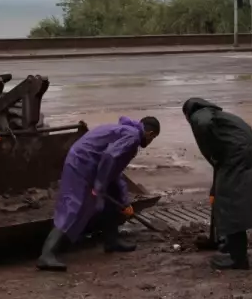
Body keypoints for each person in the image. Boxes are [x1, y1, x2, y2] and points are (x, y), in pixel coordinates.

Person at [37, 116, 162, 272]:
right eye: (153, 138)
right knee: (73, 206)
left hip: (91, 163)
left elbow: (116, 172)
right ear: (150, 133)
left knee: (113, 193)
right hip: (80, 163)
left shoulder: (128, 132)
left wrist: (124, 202)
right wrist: (99, 184)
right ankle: (47, 254)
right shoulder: (133, 137)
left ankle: (112, 240)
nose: (150, 142)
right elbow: (109, 156)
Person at [182, 98, 252, 270]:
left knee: (231, 202)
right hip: (242, 151)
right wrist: (214, 188)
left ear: (188, 114)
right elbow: (219, 156)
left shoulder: (199, 115)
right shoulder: (218, 116)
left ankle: (237, 259)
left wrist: (210, 148)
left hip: (238, 155)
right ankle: (231, 246)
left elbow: (202, 124)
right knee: (230, 198)